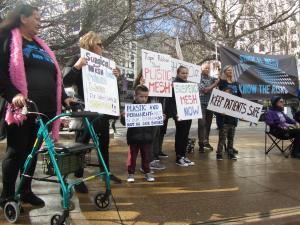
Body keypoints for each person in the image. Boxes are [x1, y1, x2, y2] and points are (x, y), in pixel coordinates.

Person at [0, 4, 73, 207]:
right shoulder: (8, 39)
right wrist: (13, 93)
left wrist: (64, 97)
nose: (40, 22)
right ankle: (6, 195)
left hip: (46, 110)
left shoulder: (42, 46)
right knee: (16, 152)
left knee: (32, 152)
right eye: (37, 18)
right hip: (23, 108)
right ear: (23, 18)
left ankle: (25, 190)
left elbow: (55, 75)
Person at [63, 31, 122, 193]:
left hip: (101, 110)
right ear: (90, 45)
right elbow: (65, 81)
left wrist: (116, 77)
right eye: (99, 44)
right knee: (81, 145)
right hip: (85, 110)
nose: (102, 47)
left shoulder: (106, 64)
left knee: (104, 144)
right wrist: (77, 67)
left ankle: (105, 173)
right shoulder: (77, 58)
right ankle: (77, 177)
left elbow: (111, 90)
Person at [121, 85, 155, 182]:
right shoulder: (130, 108)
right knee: (132, 157)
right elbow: (124, 123)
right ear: (135, 96)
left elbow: (155, 121)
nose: (144, 99)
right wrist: (123, 117)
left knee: (146, 157)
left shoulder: (151, 109)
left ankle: (147, 172)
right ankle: (131, 173)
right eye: (141, 96)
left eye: (146, 97)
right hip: (133, 138)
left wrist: (161, 118)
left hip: (147, 138)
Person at [133, 72, 166, 172]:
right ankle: (146, 163)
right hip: (145, 118)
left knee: (155, 137)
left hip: (155, 114)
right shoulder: (139, 89)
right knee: (147, 140)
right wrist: (142, 85)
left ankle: (151, 160)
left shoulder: (156, 89)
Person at [165, 66, 195, 166]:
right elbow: (171, 102)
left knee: (185, 135)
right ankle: (179, 157)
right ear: (178, 73)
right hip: (179, 114)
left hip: (188, 113)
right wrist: (175, 114)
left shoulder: (188, 84)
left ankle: (183, 155)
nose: (185, 75)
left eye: (186, 73)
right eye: (183, 73)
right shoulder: (173, 85)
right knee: (180, 135)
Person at [216, 65, 241, 160]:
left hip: (233, 114)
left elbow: (240, 97)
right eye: (228, 70)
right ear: (225, 72)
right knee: (222, 136)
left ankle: (230, 153)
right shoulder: (222, 82)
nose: (230, 71)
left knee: (231, 136)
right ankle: (219, 154)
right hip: (224, 114)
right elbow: (218, 95)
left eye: (231, 70)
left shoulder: (236, 83)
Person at [198, 63, 219, 153]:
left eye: (208, 68)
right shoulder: (198, 78)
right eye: (205, 68)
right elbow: (205, 90)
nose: (207, 69)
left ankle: (206, 141)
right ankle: (201, 143)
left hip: (210, 104)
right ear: (201, 69)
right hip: (201, 104)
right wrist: (215, 84)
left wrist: (219, 71)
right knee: (202, 123)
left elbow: (220, 80)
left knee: (208, 124)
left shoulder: (211, 78)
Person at [216, 87, 238, 160]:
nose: (227, 94)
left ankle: (230, 153)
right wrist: (219, 113)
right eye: (225, 92)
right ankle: (219, 154)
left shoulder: (234, 102)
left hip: (232, 123)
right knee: (222, 139)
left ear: (231, 94)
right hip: (224, 124)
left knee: (231, 139)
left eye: (229, 93)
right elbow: (215, 111)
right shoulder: (220, 101)